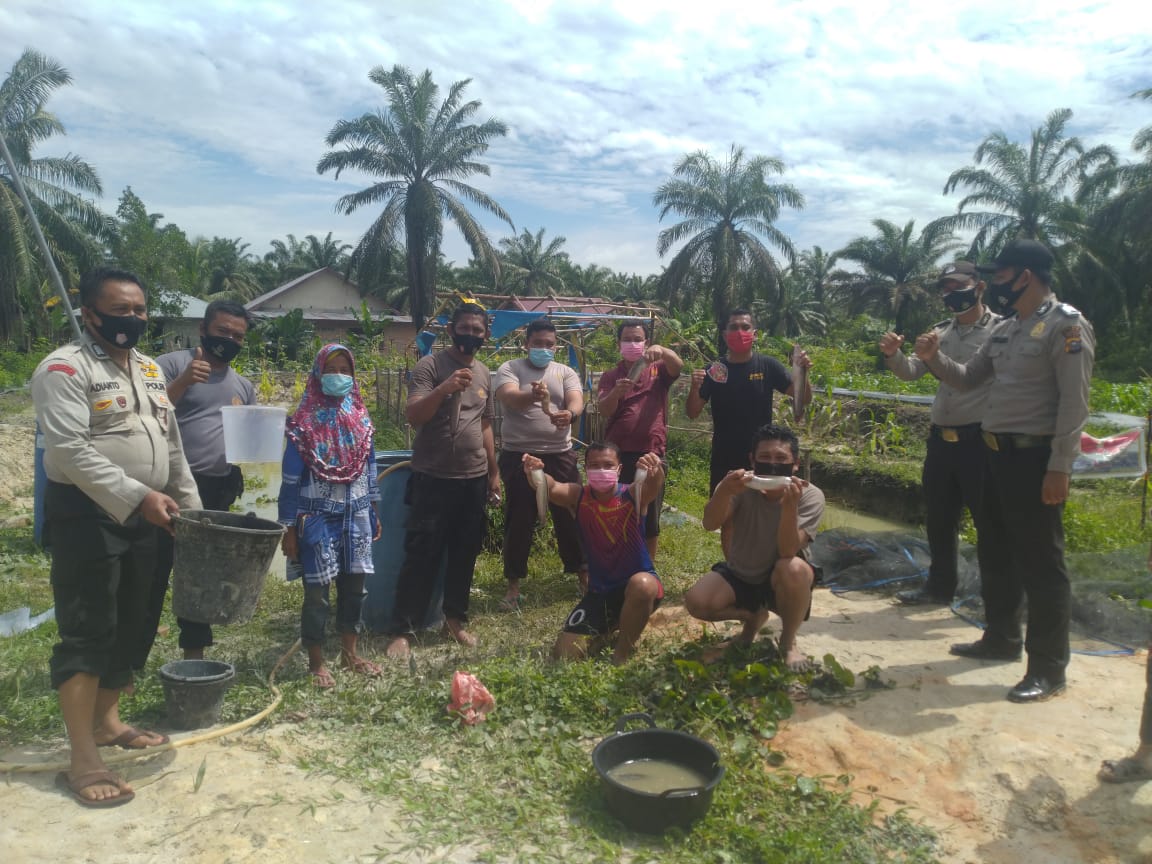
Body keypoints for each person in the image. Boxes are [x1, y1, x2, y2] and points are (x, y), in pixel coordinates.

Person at [31, 268, 201, 807]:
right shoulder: (63, 369)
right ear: (90, 314)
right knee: (89, 629)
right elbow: (68, 453)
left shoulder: (150, 370)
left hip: (149, 517)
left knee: (135, 622)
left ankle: (107, 723)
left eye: (139, 310)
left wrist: (193, 511)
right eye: (120, 310)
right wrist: (138, 496)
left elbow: (172, 448)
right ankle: (82, 756)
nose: (132, 319)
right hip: (88, 516)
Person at [915, 239, 1095, 703]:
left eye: (1000, 275)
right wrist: (933, 358)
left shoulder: (1065, 326)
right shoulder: (1007, 330)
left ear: (1025, 276)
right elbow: (966, 377)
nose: (994, 283)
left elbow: (1075, 404)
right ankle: (1001, 639)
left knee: (1041, 563)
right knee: (994, 550)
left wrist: (1060, 467)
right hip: (992, 455)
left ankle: (1048, 667)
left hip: (1034, 460)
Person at [386, 302, 501, 659]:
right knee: (421, 554)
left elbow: (484, 424)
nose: (471, 334)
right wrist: (444, 388)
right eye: (464, 327)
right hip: (433, 477)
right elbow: (414, 415)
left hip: (473, 479)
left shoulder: (484, 372)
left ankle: (455, 621)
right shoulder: (430, 366)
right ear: (451, 330)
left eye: (477, 330)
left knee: (464, 553)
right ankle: (403, 630)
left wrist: (494, 474)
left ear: (486, 335)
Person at [879, 262, 998, 606]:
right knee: (940, 518)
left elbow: (967, 377)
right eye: (945, 288)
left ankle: (995, 597)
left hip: (979, 440)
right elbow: (914, 371)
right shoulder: (940, 332)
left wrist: (935, 357)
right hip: (941, 440)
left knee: (987, 520)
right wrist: (894, 355)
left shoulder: (1000, 332)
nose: (951, 293)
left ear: (979, 287)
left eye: (957, 285)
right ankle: (939, 587)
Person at [143, 300, 256, 661]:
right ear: (204, 330)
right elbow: (146, 416)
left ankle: (194, 655)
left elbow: (248, 439)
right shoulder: (170, 364)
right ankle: (131, 659)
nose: (230, 340)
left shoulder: (243, 385)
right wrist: (182, 381)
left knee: (201, 573)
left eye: (238, 335)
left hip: (214, 487)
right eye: (223, 331)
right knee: (153, 572)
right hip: (168, 485)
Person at [278, 344, 382, 688]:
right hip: (316, 517)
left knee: (355, 588)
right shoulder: (303, 425)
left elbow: (370, 468)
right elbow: (291, 480)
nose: (339, 376)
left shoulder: (361, 420)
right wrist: (288, 527)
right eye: (332, 369)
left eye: (345, 369)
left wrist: (374, 509)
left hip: (356, 515)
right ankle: (317, 660)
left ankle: (351, 653)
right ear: (318, 374)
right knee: (317, 593)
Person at [684, 424, 824, 670]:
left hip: (780, 577)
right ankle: (752, 618)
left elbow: (787, 551)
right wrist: (723, 492)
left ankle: (788, 642)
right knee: (697, 601)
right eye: (765, 457)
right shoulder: (738, 485)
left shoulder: (809, 495)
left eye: (781, 458)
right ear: (752, 459)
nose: (772, 464)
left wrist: (789, 507)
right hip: (742, 572)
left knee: (794, 569)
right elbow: (710, 523)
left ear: (795, 464)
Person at [523, 444, 665, 664]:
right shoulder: (578, 496)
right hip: (599, 592)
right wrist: (535, 472)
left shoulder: (633, 494)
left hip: (638, 586)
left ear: (619, 469)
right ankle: (612, 625)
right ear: (585, 468)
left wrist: (655, 469)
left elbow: (653, 486)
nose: (601, 470)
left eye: (608, 465)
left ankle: (621, 652)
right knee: (564, 655)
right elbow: (550, 487)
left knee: (643, 584)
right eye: (594, 465)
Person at [686, 308, 812, 553]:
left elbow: (802, 398)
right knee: (728, 518)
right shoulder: (715, 370)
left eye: (745, 327)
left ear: (754, 333)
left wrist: (804, 372)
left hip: (763, 456)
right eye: (734, 327)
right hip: (725, 454)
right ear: (724, 334)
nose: (740, 332)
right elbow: (693, 412)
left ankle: (765, 566)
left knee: (768, 510)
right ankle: (734, 569)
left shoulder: (768, 365)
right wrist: (694, 388)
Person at [494, 317, 585, 607]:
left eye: (549, 344)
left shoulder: (565, 371)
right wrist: (531, 395)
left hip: (560, 454)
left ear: (556, 346)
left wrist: (569, 414)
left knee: (571, 514)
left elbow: (576, 400)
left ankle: (583, 574)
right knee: (519, 518)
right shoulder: (510, 368)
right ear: (526, 344)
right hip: (518, 454)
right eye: (538, 344)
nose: (543, 348)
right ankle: (513, 584)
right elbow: (509, 398)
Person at [596, 318, 683, 559]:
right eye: (627, 339)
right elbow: (604, 410)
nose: (632, 343)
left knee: (649, 516)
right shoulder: (610, 375)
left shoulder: (659, 370)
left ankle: (647, 568)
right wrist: (616, 393)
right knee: (617, 509)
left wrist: (663, 351)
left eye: (637, 339)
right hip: (618, 454)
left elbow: (678, 365)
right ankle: (617, 564)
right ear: (618, 344)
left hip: (650, 453)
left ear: (646, 343)